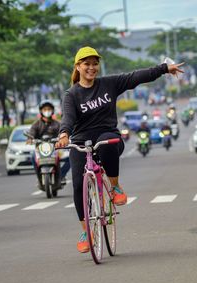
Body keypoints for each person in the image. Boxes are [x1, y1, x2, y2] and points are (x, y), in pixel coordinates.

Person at [56, 46, 184, 253]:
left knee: (108, 141)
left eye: (94, 63)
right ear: (78, 67)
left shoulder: (109, 84)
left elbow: (136, 77)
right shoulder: (72, 94)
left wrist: (164, 68)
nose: (91, 68)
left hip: (109, 137)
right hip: (80, 143)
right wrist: (64, 135)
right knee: (79, 185)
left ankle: (114, 187)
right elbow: (68, 118)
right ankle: (85, 231)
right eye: (86, 64)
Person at [27, 99, 70, 187]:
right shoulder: (36, 124)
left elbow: (63, 131)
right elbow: (31, 133)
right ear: (41, 111)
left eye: (49, 109)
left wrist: (63, 137)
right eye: (45, 109)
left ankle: (61, 176)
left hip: (56, 149)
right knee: (32, 156)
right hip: (40, 150)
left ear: (52, 110)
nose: (47, 111)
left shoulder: (57, 124)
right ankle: (39, 178)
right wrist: (30, 138)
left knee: (70, 157)